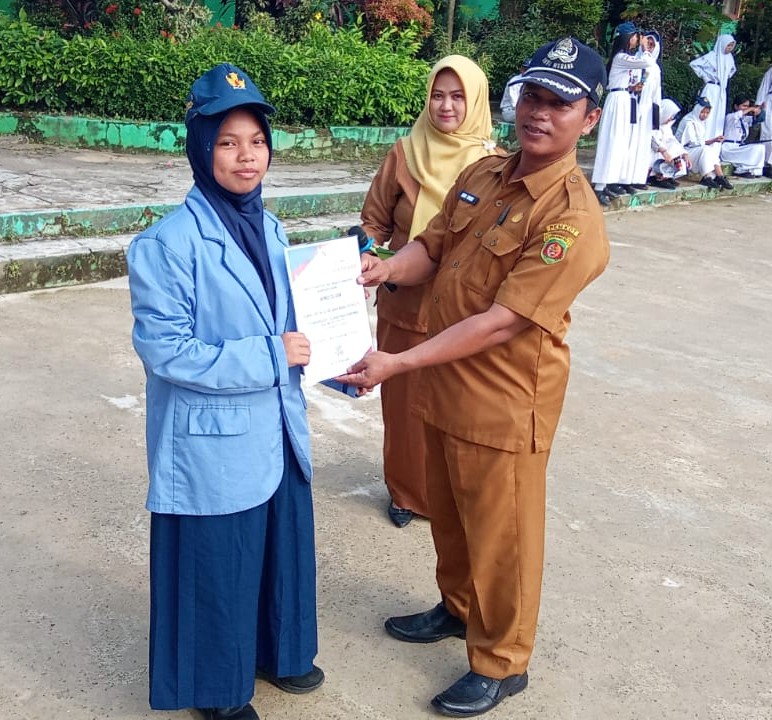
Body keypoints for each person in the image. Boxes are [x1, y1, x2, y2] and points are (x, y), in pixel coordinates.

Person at [337, 37, 609, 718]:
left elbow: (500, 322)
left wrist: (398, 363)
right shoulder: (485, 173)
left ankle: (502, 661)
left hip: (501, 401)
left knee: (501, 537)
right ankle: (457, 608)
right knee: (453, 517)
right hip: (443, 387)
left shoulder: (571, 218)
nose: (539, 113)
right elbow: (432, 248)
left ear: (590, 119)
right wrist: (385, 268)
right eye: (533, 97)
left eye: (560, 104)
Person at [127, 63, 323, 720]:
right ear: (200, 148)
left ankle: (277, 652)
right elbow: (167, 352)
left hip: (277, 422)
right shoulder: (166, 244)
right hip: (213, 438)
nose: (247, 157)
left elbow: (289, 321)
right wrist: (271, 356)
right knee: (220, 565)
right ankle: (216, 691)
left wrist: (334, 350)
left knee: (277, 549)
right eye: (228, 142)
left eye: (257, 141)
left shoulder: (271, 228)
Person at [358, 55, 501, 528]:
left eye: (458, 96)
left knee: (456, 404)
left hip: (464, 310)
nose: (446, 106)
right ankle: (406, 492)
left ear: (476, 101)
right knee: (403, 404)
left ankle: (450, 495)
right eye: (437, 95)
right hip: (404, 300)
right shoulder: (405, 154)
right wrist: (367, 256)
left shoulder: (494, 167)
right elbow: (374, 220)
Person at [591, 22, 656, 205]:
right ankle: (599, 186)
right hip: (617, 100)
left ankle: (609, 182)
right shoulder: (620, 57)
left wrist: (633, 87)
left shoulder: (625, 58)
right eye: (635, 36)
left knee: (620, 143)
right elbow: (648, 62)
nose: (637, 39)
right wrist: (645, 49)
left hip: (625, 98)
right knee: (611, 141)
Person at [626, 29, 663, 189]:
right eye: (647, 43)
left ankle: (638, 178)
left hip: (647, 110)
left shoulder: (655, 68)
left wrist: (656, 114)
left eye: (652, 44)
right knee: (629, 143)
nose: (649, 46)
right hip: (633, 105)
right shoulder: (634, 60)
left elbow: (657, 94)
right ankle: (625, 178)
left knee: (642, 145)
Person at [676, 96, 733, 190]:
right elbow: (692, 143)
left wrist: (714, 140)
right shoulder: (689, 122)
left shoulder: (699, 122)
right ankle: (707, 177)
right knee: (706, 150)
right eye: (702, 112)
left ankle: (720, 177)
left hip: (693, 150)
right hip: (683, 152)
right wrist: (711, 141)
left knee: (710, 150)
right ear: (697, 110)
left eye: (707, 113)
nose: (705, 115)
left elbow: (699, 143)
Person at [689, 34, 737, 140]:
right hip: (711, 88)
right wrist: (705, 77)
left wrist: (725, 78)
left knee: (718, 114)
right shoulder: (712, 56)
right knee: (707, 112)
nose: (729, 48)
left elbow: (732, 70)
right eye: (728, 45)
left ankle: (715, 139)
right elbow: (694, 64)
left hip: (721, 90)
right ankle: (702, 138)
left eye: (731, 46)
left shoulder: (729, 58)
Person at [648, 98, 691, 189]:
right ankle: (655, 178)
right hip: (652, 153)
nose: (671, 118)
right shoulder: (651, 124)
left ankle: (666, 176)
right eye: (670, 115)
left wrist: (684, 153)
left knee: (675, 150)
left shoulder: (666, 126)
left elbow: (672, 139)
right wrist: (663, 150)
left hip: (663, 153)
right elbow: (652, 139)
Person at [720, 94, 766, 178]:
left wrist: (760, 109)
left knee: (760, 147)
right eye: (744, 106)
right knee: (755, 149)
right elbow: (738, 115)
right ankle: (741, 170)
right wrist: (751, 108)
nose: (746, 108)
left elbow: (760, 118)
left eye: (747, 106)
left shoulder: (745, 119)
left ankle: (755, 171)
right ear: (736, 106)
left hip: (739, 147)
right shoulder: (730, 117)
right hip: (729, 148)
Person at [499, 56, 532, 123]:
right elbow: (516, 105)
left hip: (522, 110)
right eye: (525, 69)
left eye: (528, 69)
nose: (526, 71)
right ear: (521, 69)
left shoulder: (531, 81)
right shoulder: (515, 81)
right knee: (530, 116)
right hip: (510, 111)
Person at [754, 64, 772, 177]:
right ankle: (766, 164)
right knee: (768, 132)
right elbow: (765, 85)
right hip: (769, 102)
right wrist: (758, 104)